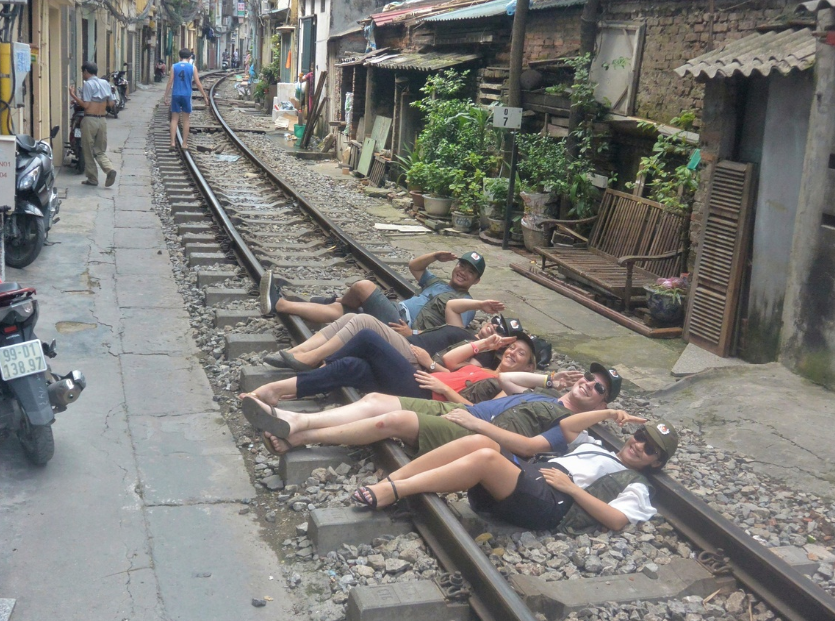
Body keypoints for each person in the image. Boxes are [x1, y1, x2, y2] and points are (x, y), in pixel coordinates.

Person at [352, 417, 678, 533]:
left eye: (650, 449)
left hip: (553, 503)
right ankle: (388, 482)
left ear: (655, 463)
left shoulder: (638, 485)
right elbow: (568, 425)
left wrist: (575, 491)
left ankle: (396, 491)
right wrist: (609, 411)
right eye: (639, 437)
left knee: (484, 458)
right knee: (481, 441)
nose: (639, 446)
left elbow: (619, 520)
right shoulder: (599, 447)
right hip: (535, 479)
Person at [241, 363, 618, 459]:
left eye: (597, 388)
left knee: (394, 421)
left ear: (603, 403)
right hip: (461, 415)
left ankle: (300, 436)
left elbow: (530, 449)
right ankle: (297, 419)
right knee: (376, 400)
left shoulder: (569, 424)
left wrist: (476, 423)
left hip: (475, 433)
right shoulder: (550, 400)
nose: (587, 384)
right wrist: (551, 378)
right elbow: (508, 378)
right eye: (588, 376)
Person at [248, 329, 545, 403]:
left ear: (531, 369)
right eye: (512, 348)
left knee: (367, 337)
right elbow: (449, 364)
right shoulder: (485, 370)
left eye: (521, 355)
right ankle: (278, 391)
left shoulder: (511, 390)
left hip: (428, 398)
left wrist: (444, 388)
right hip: (423, 382)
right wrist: (484, 345)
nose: (511, 353)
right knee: (351, 365)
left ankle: (312, 369)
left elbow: (483, 417)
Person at [260, 251, 486, 336]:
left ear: (476, 281)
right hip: (396, 311)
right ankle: (280, 304)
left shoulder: (467, 303)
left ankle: (338, 300)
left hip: (403, 325)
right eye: (462, 266)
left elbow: (451, 334)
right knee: (342, 313)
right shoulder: (437, 283)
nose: (463, 272)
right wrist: (436, 256)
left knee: (363, 287)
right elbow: (414, 266)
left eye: (470, 272)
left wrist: (414, 334)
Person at [263, 298, 505, 370]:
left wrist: (429, 363)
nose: (491, 328)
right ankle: (298, 352)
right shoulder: (464, 332)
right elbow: (452, 305)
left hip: (411, 357)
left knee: (364, 321)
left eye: (498, 331)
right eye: (493, 323)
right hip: (405, 342)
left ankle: (311, 359)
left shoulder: (483, 356)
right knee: (349, 318)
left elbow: (463, 373)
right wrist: (480, 304)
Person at [68, 61, 117, 188]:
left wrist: (73, 95)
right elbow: (111, 103)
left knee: (88, 150)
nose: (83, 75)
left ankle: (93, 178)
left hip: (90, 120)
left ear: (86, 72)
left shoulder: (88, 84)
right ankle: (109, 169)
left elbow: (86, 105)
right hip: (102, 120)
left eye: (82, 72)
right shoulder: (105, 83)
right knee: (99, 150)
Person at [165, 48, 209, 151]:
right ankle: (184, 144)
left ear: (179, 57)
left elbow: (170, 82)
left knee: (174, 119)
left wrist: (166, 96)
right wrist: (204, 96)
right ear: (190, 57)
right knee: (186, 120)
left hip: (176, 95)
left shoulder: (174, 67)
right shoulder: (193, 67)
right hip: (186, 95)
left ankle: (172, 143)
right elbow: (198, 83)